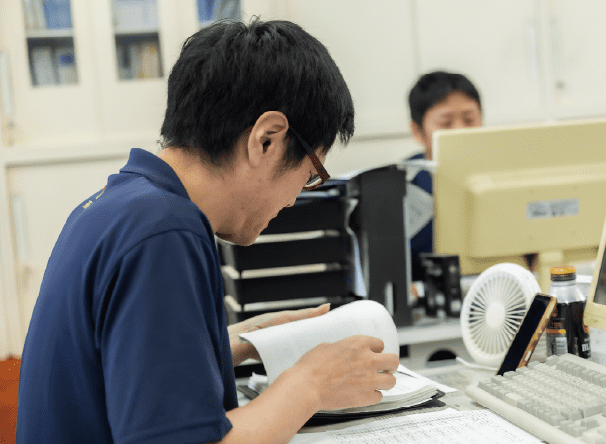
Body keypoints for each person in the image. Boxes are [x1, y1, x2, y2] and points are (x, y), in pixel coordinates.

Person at [16, 19, 399, 444]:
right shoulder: (163, 233)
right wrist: (312, 383)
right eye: (309, 175)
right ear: (267, 139)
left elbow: (112, 363)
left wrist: (228, 343)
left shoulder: (117, 206)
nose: (293, 200)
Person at [406, 71, 483, 281]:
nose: (459, 131)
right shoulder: (404, 185)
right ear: (418, 132)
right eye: (446, 123)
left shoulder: (504, 175)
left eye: (469, 119)